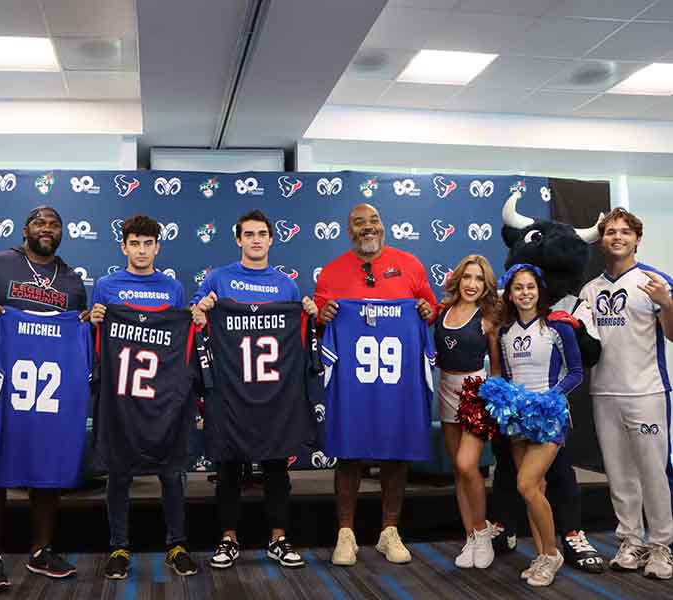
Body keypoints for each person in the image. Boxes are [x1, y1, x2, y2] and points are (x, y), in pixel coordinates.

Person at [0, 206, 86, 592]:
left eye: (54, 224)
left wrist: (81, 324)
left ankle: (41, 550)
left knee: (48, 466)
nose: (47, 229)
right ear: (25, 229)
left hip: (49, 390)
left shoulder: (72, 280)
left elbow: (76, 332)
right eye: (40, 223)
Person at [191, 209, 318, 570]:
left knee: (277, 466)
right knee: (229, 467)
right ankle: (228, 539)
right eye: (249, 234)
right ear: (238, 239)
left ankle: (278, 538)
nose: (256, 240)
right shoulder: (219, 279)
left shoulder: (285, 285)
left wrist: (307, 311)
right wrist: (201, 309)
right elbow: (196, 317)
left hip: (274, 390)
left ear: (272, 239)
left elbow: (298, 331)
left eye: (262, 233)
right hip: (231, 389)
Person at [314, 203, 435, 566]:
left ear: (383, 226)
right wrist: (325, 317)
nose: (368, 227)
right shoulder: (332, 272)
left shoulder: (409, 264)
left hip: (396, 383)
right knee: (348, 453)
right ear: (348, 230)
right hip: (354, 384)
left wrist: (428, 311)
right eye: (359, 223)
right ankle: (346, 532)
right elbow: (321, 322)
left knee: (395, 453)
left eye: (374, 221)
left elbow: (428, 306)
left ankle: (389, 530)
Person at [88, 215, 198, 579]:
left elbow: (179, 341)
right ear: (123, 246)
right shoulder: (106, 286)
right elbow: (96, 338)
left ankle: (176, 543)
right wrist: (94, 317)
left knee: (171, 471)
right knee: (119, 472)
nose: (141, 250)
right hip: (121, 392)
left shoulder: (172, 288)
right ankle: (119, 546)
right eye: (134, 243)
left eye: (148, 243)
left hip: (161, 394)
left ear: (157, 247)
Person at [580, 208, 673, 579]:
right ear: (602, 240)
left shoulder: (655, 281)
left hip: (646, 392)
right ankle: (631, 540)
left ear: (636, 238)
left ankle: (662, 545)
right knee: (619, 474)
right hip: (604, 392)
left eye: (624, 231)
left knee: (653, 471)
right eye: (609, 232)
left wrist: (666, 302)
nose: (616, 237)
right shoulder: (590, 290)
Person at [497, 264, 583, 587]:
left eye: (530, 287)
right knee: (536, 490)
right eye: (518, 288)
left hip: (550, 416)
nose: (525, 293)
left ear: (540, 290)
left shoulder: (558, 328)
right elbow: (507, 376)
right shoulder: (506, 334)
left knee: (525, 484)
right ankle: (542, 553)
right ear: (511, 293)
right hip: (519, 420)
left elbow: (576, 372)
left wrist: (550, 396)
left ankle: (552, 554)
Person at [433, 255, 501, 569]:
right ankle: (470, 538)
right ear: (458, 279)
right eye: (468, 277)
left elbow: (497, 369)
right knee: (458, 470)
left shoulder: (488, 317)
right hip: (446, 389)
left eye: (479, 280)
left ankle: (482, 531)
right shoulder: (442, 312)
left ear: (486, 286)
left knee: (468, 464)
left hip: (475, 391)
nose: (472, 285)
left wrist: (493, 398)